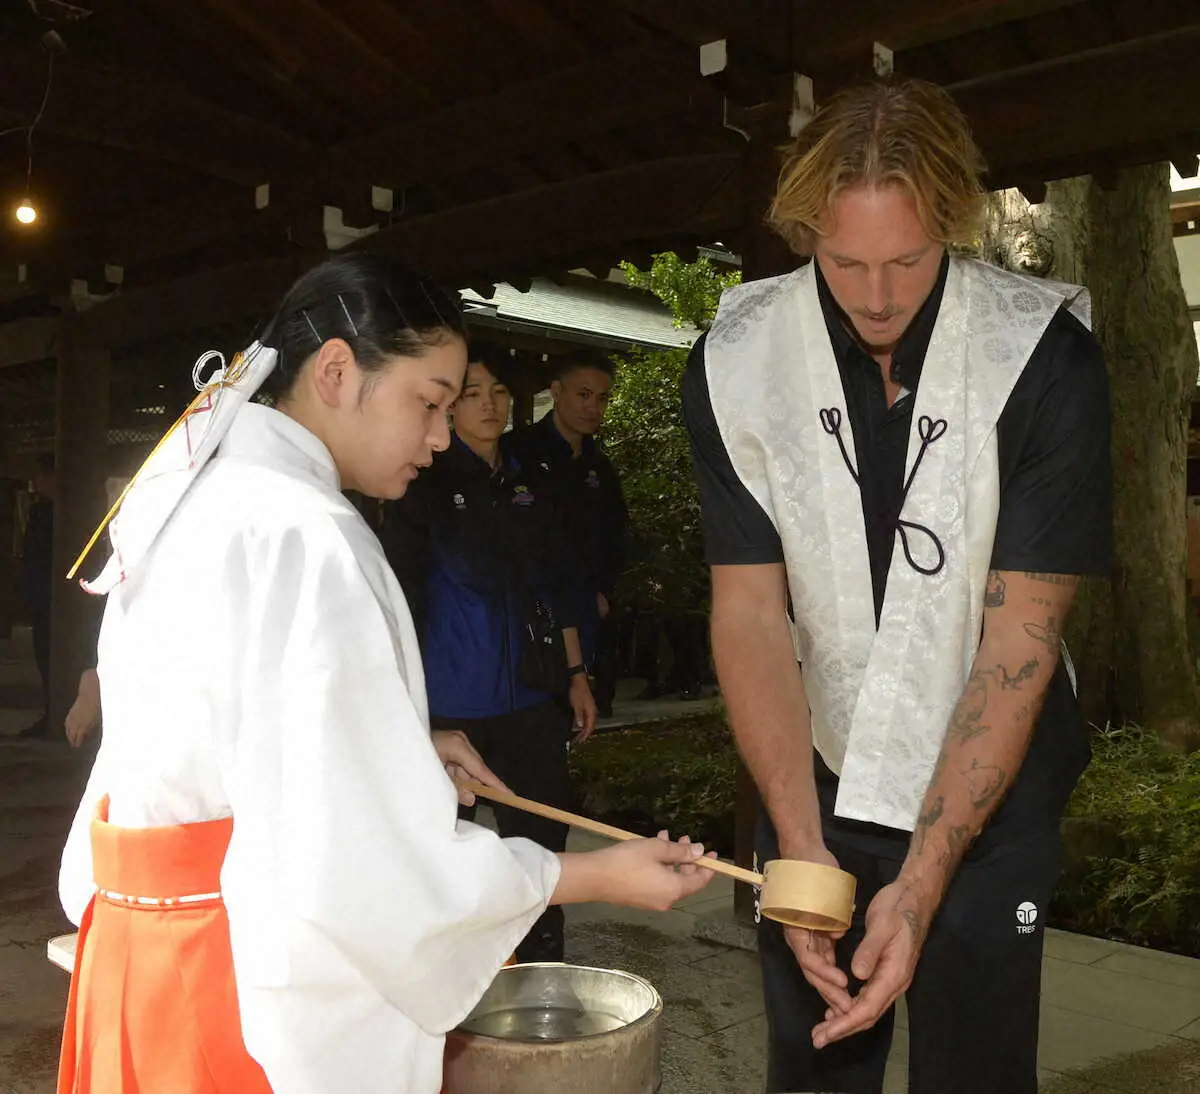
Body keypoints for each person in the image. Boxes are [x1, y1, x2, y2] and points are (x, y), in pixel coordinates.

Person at [57, 253, 714, 1094]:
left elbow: (241, 738)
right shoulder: (310, 533)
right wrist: (590, 875)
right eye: (429, 403)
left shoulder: (196, 493)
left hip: (138, 957)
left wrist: (400, 743)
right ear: (337, 371)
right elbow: (361, 865)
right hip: (231, 981)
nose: (440, 438)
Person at [683, 77, 1110, 1094]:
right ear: (805, 236)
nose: (876, 296)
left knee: (976, 1058)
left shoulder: (1044, 359)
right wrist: (797, 849)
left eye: (908, 261)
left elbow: (1020, 643)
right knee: (816, 1052)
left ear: (954, 225)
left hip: (990, 774)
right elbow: (749, 610)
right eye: (844, 262)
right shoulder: (741, 358)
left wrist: (919, 887)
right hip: (820, 762)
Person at [381, 343, 595, 964]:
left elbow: (559, 585)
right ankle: (460, 972)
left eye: (498, 391)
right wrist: (412, 705)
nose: (489, 404)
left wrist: (577, 675)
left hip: (532, 694)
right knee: (454, 849)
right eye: (472, 393)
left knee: (541, 833)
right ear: (448, 408)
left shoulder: (533, 481)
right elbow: (400, 599)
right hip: (453, 700)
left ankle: (540, 965)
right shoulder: (421, 481)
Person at [511, 350, 628, 717]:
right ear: (557, 391)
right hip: (529, 612)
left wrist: (603, 591)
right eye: (583, 394)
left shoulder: (599, 467)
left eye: (602, 398)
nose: (592, 406)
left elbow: (616, 534)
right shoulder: (518, 453)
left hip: (584, 607)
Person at [18, 453, 55, 737]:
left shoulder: (53, 514)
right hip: (41, 596)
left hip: (50, 597)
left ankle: (55, 712)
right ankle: (51, 710)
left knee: (51, 656)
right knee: (43, 656)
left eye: (41, 476)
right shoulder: (40, 511)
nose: (35, 482)